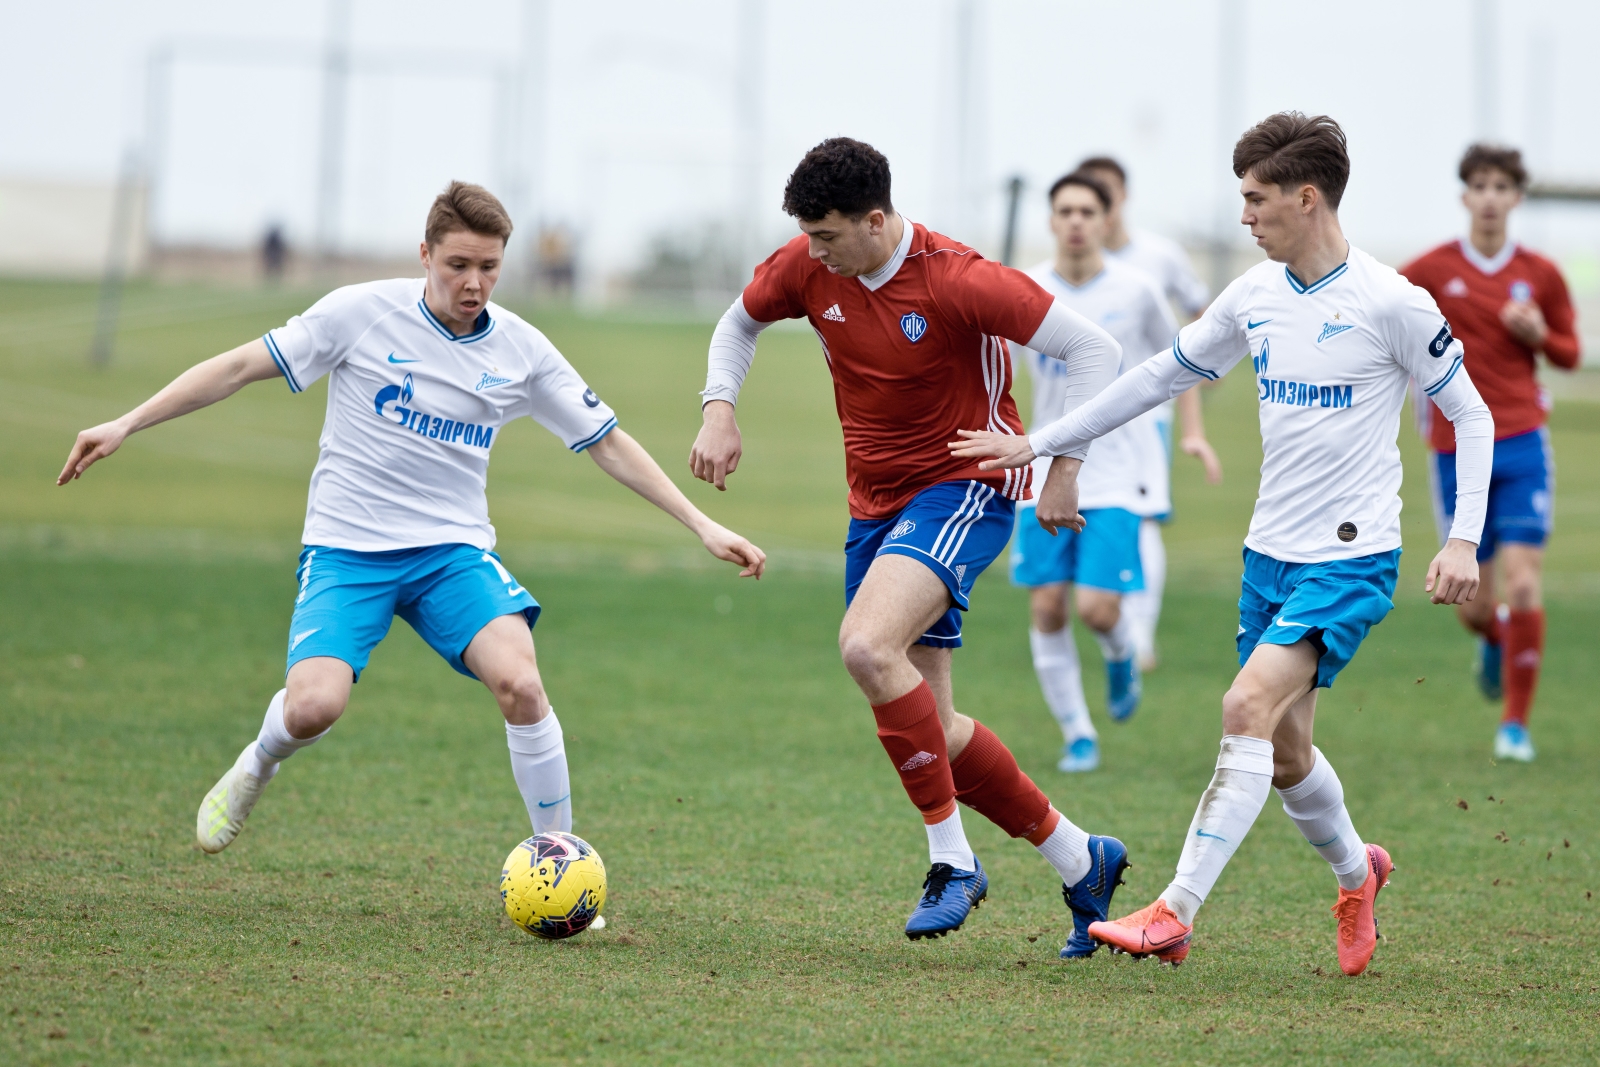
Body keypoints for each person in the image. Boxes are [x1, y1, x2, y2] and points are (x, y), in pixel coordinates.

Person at [58, 181, 767, 876]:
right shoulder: (360, 313)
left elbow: (606, 441)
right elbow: (243, 365)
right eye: (457, 264)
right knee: (313, 707)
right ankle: (258, 761)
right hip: (347, 550)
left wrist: (700, 523)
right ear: (424, 253)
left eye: (488, 267)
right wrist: (127, 421)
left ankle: (559, 863)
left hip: (450, 555)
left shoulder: (521, 349)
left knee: (522, 683)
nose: (474, 282)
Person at [952, 113, 1492, 975]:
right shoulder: (1255, 295)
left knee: (1243, 707)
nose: (1243, 215)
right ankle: (1360, 873)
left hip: (1350, 556)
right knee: (1285, 753)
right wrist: (1047, 442)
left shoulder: (1392, 301)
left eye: (1256, 198)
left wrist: (1463, 538)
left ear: (1304, 198)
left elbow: (1471, 411)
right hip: (1268, 552)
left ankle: (1175, 909)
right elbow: (1156, 377)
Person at [689, 137, 1129, 956]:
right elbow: (738, 321)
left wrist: (1061, 466)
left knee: (865, 646)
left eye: (827, 237)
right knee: (934, 720)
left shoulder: (957, 277)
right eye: (808, 239)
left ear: (877, 220)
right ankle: (1081, 858)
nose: (813, 254)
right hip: (875, 505)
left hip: (965, 488)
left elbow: (1095, 350)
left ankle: (952, 860)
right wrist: (721, 405)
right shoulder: (812, 264)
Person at [1400, 144, 1580, 763]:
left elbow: (1571, 353)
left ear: (1516, 198)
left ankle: (1514, 726)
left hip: (1524, 441)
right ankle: (1495, 637)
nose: (1490, 197)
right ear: (1464, 196)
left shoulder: (1542, 274)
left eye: (1502, 186)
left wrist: (1540, 335)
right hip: (1455, 449)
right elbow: (1386, 318)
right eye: (1479, 185)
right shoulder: (1428, 269)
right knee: (1472, 605)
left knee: (1525, 584)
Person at [1010, 170, 1190, 773]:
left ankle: (1119, 657)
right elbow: (994, 366)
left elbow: (1179, 362)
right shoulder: (1026, 288)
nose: (1077, 221)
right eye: (1066, 210)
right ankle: (1077, 733)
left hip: (1115, 474)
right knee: (1048, 608)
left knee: (1097, 609)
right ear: (1051, 220)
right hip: (1039, 473)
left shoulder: (1137, 290)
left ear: (1107, 218)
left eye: (1089, 210)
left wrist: (1181, 432)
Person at [1076, 156, 1222, 670]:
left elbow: (1200, 316)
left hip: (1142, 417)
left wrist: (1200, 392)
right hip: (1080, 417)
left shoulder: (1157, 259)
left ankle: (1139, 635)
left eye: (1105, 196)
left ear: (1121, 198)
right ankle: (1108, 617)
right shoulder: (1067, 273)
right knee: (1083, 515)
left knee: (1141, 518)